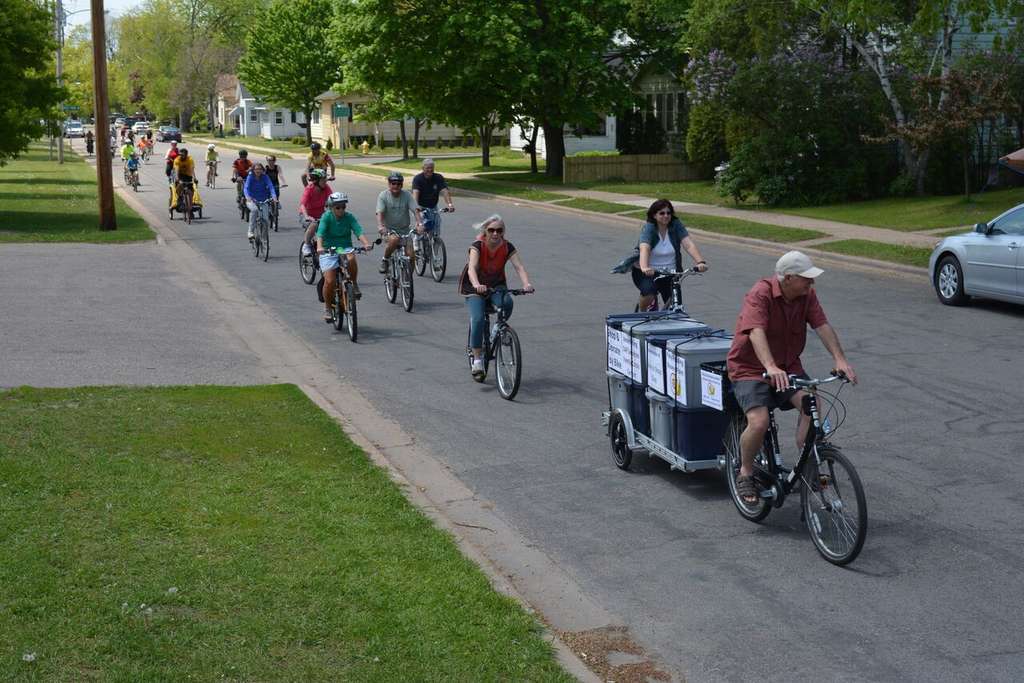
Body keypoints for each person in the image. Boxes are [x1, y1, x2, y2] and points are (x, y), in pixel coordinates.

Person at [726, 251, 858, 505]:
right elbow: (755, 331)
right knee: (759, 421)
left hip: (787, 366)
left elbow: (821, 325)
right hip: (750, 368)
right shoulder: (760, 293)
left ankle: (807, 458)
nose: (812, 283)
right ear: (788, 278)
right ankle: (745, 472)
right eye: (806, 278)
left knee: (812, 404)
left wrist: (840, 359)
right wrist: (770, 367)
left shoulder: (806, 295)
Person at [460, 214, 534, 381]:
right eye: (491, 230)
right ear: (485, 231)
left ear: (503, 232)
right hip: (475, 286)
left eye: (499, 230)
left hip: (496, 284)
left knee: (507, 303)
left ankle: (497, 328)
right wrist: (477, 284)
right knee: (478, 319)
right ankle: (478, 359)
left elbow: (519, 266)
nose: (495, 233)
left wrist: (526, 284)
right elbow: (471, 268)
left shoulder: (507, 247)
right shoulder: (477, 245)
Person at [632, 199, 707, 311]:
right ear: (654, 215)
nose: (666, 216)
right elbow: (645, 247)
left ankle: (671, 321)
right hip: (647, 272)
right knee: (649, 292)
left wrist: (700, 262)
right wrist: (644, 267)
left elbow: (688, 244)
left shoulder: (675, 225)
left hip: (670, 272)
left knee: (674, 301)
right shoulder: (649, 228)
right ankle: (641, 314)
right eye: (662, 213)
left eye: (668, 213)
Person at [317, 191, 373, 321]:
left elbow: (358, 231)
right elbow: (320, 234)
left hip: (345, 247)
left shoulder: (349, 217)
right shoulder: (326, 217)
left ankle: (353, 283)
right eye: (338, 207)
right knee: (329, 281)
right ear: (331, 207)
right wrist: (320, 247)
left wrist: (366, 243)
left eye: (343, 207)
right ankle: (327, 308)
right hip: (328, 249)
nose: (341, 210)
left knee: (352, 258)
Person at [376, 171, 422, 274]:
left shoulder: (407, 195)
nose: (396, 186)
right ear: (389, 184)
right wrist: (380, 226)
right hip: (389, 230)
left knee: (411, 256)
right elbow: (379, 212)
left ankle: (407, 279)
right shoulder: (383, 195)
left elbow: (415, 210)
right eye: (393, 183)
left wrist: (420, 224)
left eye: (398, 184)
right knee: (394, 240)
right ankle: (385, 260)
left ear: (401, 185)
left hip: (405, 231)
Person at [411, 158, 454, 241]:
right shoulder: (418, 179)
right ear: (423, 168)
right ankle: (416, 242)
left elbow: (445, 191)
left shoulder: (438, 178)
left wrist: (449, 204)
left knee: (436, 228)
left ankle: (435, 249)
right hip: (421, 207)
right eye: (427, 168)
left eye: (431, 168)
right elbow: (415, 193)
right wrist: (417, 207)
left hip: (433, 207)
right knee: (421, 227)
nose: (430, 170)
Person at [299, 168, 333, 254]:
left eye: (326, 178)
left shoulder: (326, 188)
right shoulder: (309, 188)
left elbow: (332, 201)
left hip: (320, 214)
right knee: (314, 224)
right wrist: (307, 216)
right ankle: (306, 245)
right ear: (316, 181)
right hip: (306, 215)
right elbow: (302, 205)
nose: (326, 180)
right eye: (323, 179)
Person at [243, 162, 278, 240]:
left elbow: (271, 186)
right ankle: (250, 232)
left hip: (263, 200)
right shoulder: (250, 177)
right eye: (256, 169)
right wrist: (247, 197)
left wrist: (274, 197)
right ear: (253, 170)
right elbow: (246, 188)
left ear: (262, 170)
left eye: (260, 169)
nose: (258, 171)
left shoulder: (265, 177)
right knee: (254, 210)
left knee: (265, 220)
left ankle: (264, 239)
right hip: (252, 200)